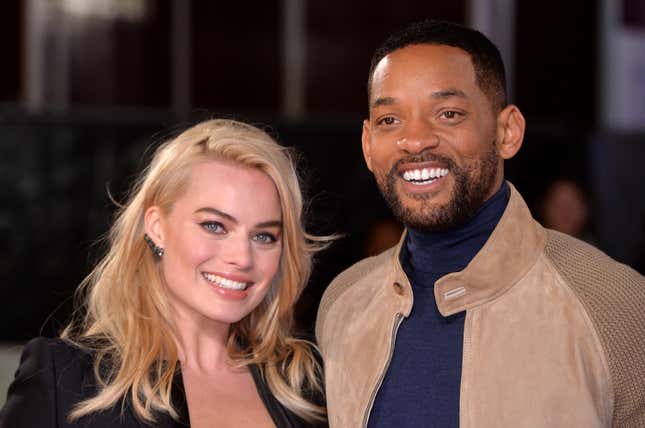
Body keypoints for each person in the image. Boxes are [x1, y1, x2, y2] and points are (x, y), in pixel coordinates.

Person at [316, 20, 645, 428]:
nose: (415, 140)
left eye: (448, 113)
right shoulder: (344, 304)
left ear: (507, 132)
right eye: (390, 120)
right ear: (368, 146)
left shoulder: (617, 304)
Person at [1, 119, 329, 427]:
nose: (242, 258)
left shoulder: (309, 386)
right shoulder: (65, 379)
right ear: (157, 227)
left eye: (264, 236)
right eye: (214, 226)